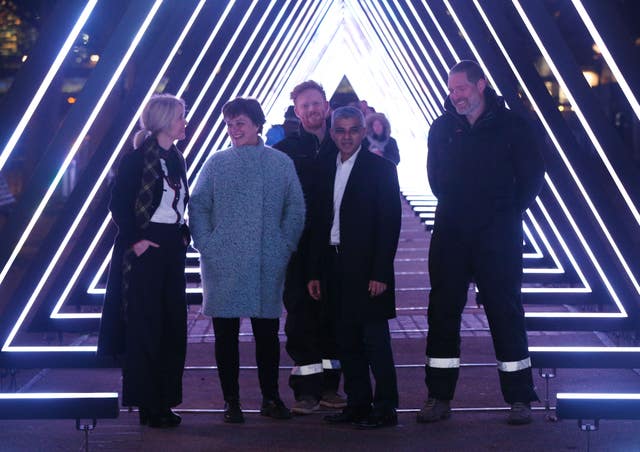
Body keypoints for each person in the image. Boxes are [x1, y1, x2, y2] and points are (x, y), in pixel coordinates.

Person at [418, 60, 544, 425]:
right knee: (442, 312)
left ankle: (520, 399)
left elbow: (533, 177)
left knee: (505, 311)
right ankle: (438, 397)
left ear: (481, 85)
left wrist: (505, 213)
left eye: (461, 88)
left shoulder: (512, 126)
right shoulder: (442, 129)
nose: (455, 96)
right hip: (451, 232)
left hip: (497, 234)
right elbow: (434, 178)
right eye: (452, 89)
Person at [189, 97, 305, 424]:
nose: (233, 130)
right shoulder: (216, 163)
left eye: (240, 123)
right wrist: (207, 245)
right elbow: (198, 207)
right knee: (225, 336)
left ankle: (270, 397)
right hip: (222, 262)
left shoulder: (280, 163)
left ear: (257, 124)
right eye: (228, 124)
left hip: (266, 261)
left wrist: (283, 247)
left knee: (266, 335)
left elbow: (294, 209)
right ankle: (232, 402)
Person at [97, 94, 190, 428]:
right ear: (165, 120)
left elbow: (176, 204)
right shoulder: (136, 160)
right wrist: (137, 241)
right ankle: (149, 405)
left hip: (171, 247)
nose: (184, 122)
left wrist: (182, 234)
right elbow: (118, 204)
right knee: (146, 328)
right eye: (181, 116)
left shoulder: (176, 158)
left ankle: (165, 400)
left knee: (173, 325)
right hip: (145, 247)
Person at [307, 106, 401, 429]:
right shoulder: (323, 169)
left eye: (353, 130)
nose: (346, 137)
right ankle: (358, 404)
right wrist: (315, 272)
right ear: (333, 133)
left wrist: (381, 273)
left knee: (375, 340)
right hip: (333, 264)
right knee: (345, 340)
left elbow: (389, 225)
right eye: (340, 130)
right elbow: (318, 223)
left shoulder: (382, 169)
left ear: (363, 132)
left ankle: (386, 407)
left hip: (366, 267)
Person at [272, 80, 345, 415]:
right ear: (297, 111)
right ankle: (306, 391)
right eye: (306, 106)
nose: (313, 110)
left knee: (334, 315)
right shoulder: (285, 151)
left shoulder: (342, 144)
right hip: (298, 245)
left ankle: (332, 387)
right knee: (300, 316)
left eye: (317, 103)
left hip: (335, 243)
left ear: (326, 106)